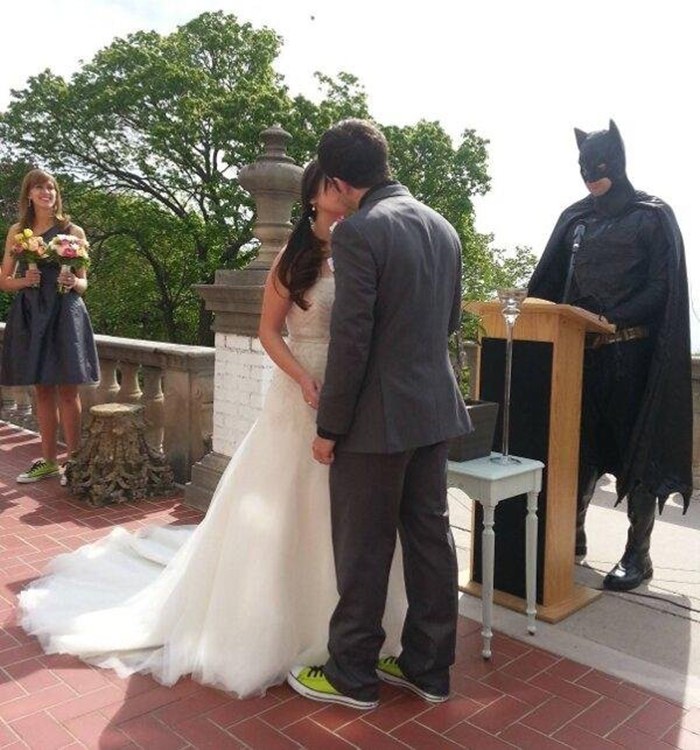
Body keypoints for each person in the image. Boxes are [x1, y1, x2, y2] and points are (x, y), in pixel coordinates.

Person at [17, 160, 407, 698]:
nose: (342, 191)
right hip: (298, 395)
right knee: (290, 504)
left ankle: (355, 629)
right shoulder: (292, 257)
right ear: (314, 195)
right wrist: (301, 378)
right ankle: (287, 628)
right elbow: (269, 332)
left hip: (352, 397)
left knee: (348, 511)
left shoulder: (361, 246)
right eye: (331, 184)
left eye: (344, 182)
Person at [287, 120, 471, 710]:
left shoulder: (359, 232)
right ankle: (428, 669)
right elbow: (449, 323)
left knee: (364, 548)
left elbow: (351, 341)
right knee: (430, 539)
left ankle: (352, 676)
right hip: (434, 411)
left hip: (375, 421)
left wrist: (329, 428)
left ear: (340, 181)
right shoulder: (443, 227)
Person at [528, 120, 692, 592]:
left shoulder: (651, 216)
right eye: (583, 166)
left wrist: (612, 317)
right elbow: (548, 283)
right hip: (580, 354)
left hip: (632, 357)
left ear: (617, 162)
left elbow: (661, 288)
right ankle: (571, 533)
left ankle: (638, 553)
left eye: (598, 165)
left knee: (636, 450)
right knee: (576, 447)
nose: (590, 174)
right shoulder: (577, 219)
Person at [0, 169, 99, 485]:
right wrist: (23, 280)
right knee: (42, 389)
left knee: (68, 390)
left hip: (65, 312)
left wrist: (73, 281)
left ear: (57, 194)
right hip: (32, 313)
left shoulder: (73, 231)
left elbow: (84, 284)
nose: (46, 192)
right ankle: (48, 462)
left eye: (51, 187)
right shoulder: (18, 231)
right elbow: (4, 280)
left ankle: (75, 462)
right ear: (29, 194)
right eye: (39, 188)